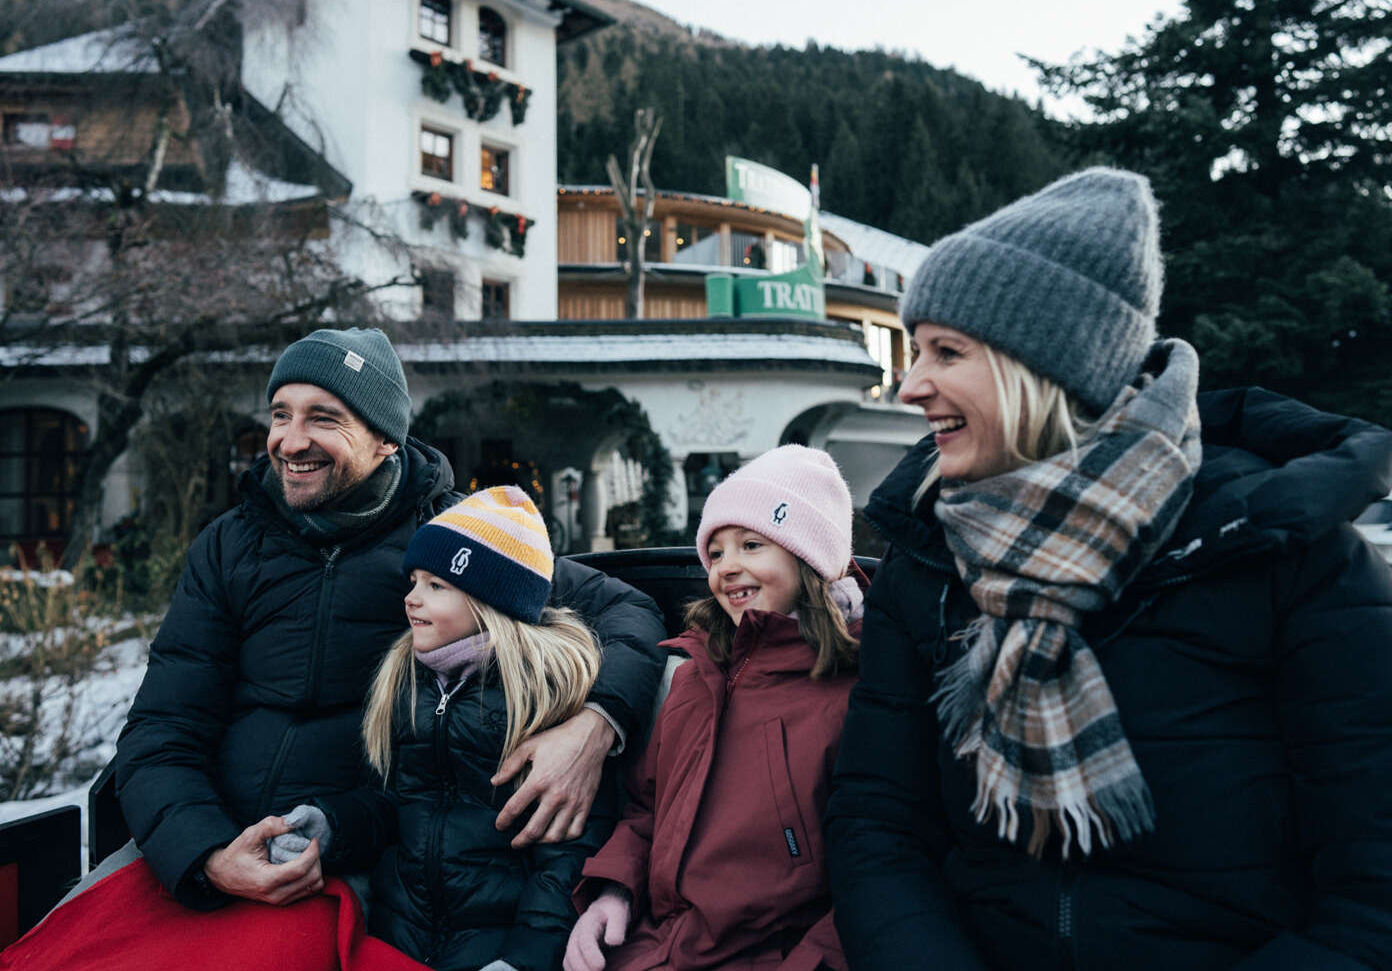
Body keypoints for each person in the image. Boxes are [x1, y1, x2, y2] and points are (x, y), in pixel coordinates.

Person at [824, 168, 1392, 968]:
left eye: (947, 351)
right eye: (913, 351)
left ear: (1046, 367)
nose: (911, 386)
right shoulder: (928, 559)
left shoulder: (1283, 554)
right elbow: (878, 821)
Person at [110, 326, 665, 910]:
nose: (290, 442)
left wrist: (595, 725)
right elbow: (162, 728)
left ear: (385, 441)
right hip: (210, 843)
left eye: (323, 418)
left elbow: (629, 607)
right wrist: (205, 855)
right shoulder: (229, 546)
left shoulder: (455, 542)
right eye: (280, 414)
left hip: (363, 851)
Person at [279, 484, 615, 971]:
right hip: (399, 935)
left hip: (497, 947)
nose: (412, 599)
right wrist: (331, 826)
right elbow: (394, 806)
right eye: (414, 581)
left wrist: (526, 959)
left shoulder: (543, 697)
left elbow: (565, 855)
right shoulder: (407, 680)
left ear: (491, 602)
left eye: (437, 586)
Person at [565, 445, 863, 971]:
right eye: (717, 552)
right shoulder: (693, 673)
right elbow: (646, 810)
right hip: (652, 946)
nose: (728, 567)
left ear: (810, 558)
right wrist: (613, 893)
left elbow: (869, 875)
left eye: (751, 544)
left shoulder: (853, 692)